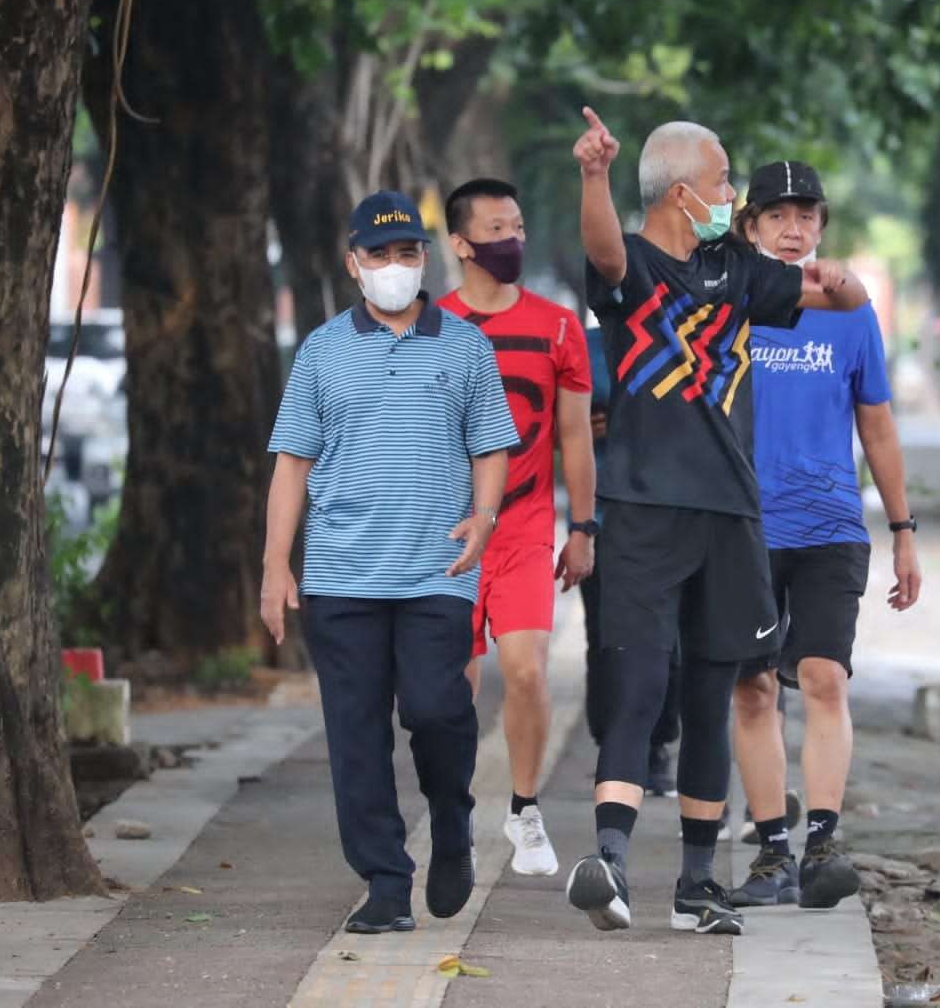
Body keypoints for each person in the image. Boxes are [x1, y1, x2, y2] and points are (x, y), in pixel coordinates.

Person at [564, 108, 869, 937]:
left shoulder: (735, 268)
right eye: (726, 179)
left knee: (710, 690)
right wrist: (593, 174)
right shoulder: (628, 269)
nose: (732, 194)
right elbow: (601, 248)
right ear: (686, 188)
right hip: (643, 509)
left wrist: (840, 278)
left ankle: (697, 884)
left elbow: (834, 292)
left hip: (732, 513)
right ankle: (613, 863)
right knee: (638, 683)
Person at [260, 191, 519, 933]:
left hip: (436, 571)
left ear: (424, 259)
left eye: (408, 253)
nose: (395, 267)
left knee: (438, 709)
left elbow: (491, 444)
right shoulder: (321, 350)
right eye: (380, 255)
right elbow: (291, 465)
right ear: (354, 264)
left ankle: (451, 818)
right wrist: (277, 567)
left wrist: (486, 515)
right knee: (355, 733)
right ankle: (382, 878)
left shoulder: (465, 347)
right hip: (341, 575)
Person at [725, 161, 923, 911]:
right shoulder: (730, 306)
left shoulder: (851, 314)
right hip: (743, 527)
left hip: (831, 525)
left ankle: (824, 844)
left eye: (805, 214)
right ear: (748, 229)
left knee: (823, 678)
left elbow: (876, 423)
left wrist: (903, 531)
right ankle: (772, 851)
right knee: (750, 690)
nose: (792, 227)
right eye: (775, 215)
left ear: (822, 227)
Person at [436, 178, 595, 878]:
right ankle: (452, 813)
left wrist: (583, 527)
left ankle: (525, 809)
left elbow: (575, 439)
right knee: (450, 689)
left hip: (527, 528)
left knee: (527, 669)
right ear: (462, 244)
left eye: (518, 226)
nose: (513, 242)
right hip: (444, 539)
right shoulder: (429, 325)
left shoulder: (558, 326)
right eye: (497, 230)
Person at [580, 325, 679, 798]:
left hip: (670, 513)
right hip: (602, 514)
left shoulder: (676, 340)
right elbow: (562, 422)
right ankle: (613, 747)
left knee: (667, 639)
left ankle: (657, 744)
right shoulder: (587, 345)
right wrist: (583, 420)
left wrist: (623, 416)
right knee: (605, 640)